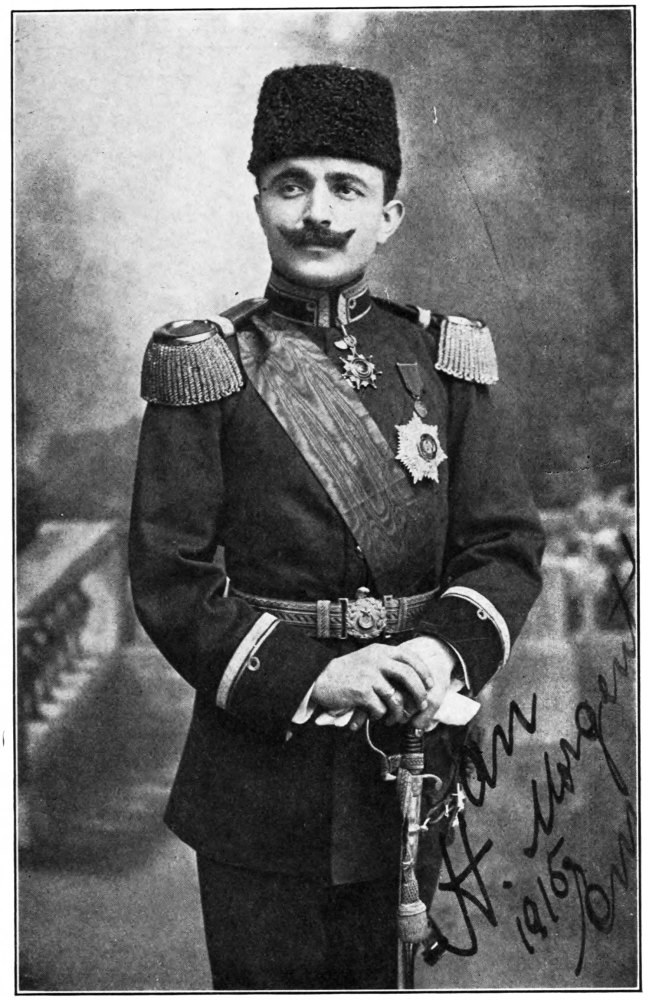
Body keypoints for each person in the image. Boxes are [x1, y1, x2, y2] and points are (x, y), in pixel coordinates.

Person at [129, 63, 544, 990]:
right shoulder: (208, 366)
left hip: (407, 759)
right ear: (258, 202)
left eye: (346, 188)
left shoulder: (441, 359)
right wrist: (317, 674)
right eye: (291, 185)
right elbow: (169, 574)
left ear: (388, 213)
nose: (316, 212)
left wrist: (439, 652)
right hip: (254, 783)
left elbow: (504, 546)